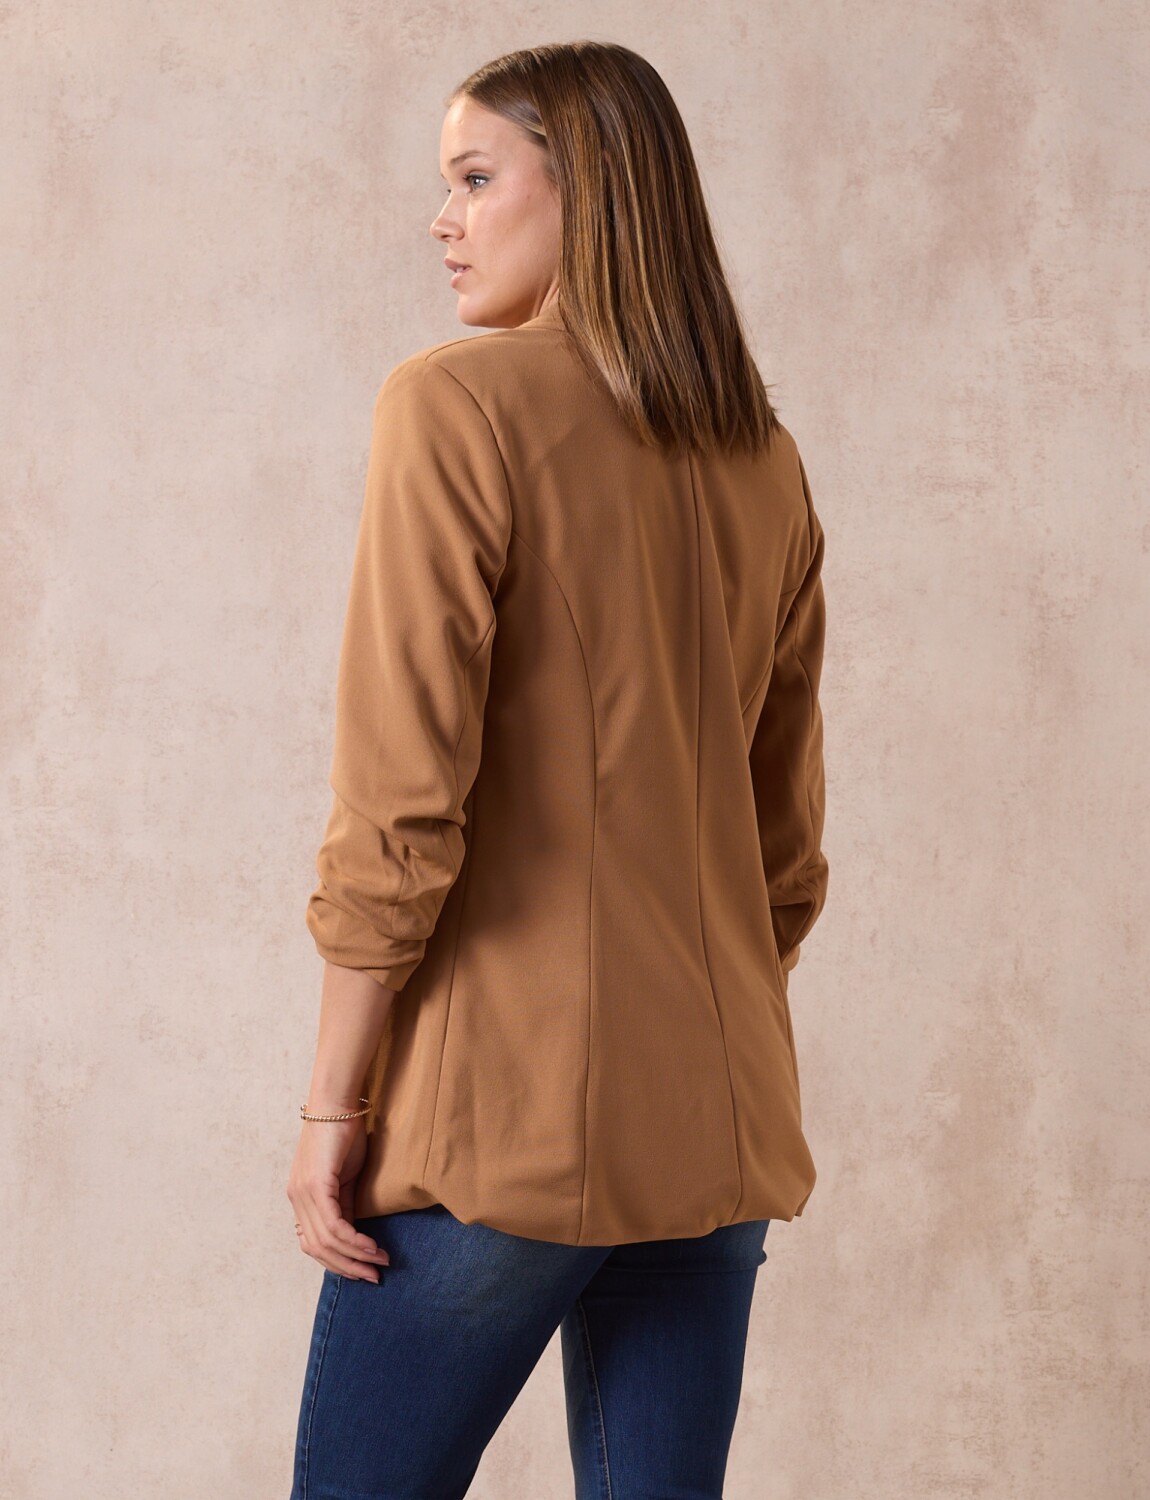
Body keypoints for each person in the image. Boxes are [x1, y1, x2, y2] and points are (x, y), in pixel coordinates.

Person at [285, 39, 830, 1500]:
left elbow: (399, 811)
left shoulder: (454, 406)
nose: (442, 219)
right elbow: (782, 856)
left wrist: (333, 1110)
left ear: (583, 187)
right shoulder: (763, 459)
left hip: (503, 1124)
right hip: (713, 1121)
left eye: (475, 178)